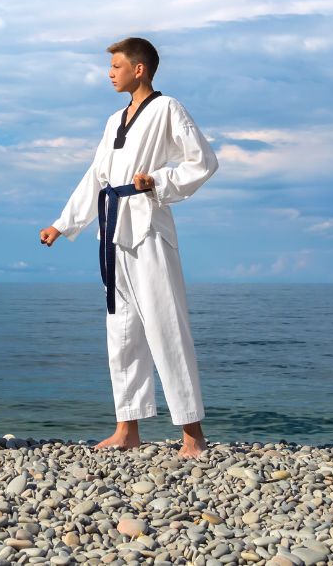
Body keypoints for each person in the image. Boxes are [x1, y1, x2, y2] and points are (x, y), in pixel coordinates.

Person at [39, 37, 218, 458]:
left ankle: (193, 434)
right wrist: (63, 224)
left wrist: (159, 181)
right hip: (111, 229)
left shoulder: (167, 108)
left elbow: (203, 161)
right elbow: (95, 177)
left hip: (148, 226)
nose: (110, 72)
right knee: (121, 331)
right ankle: (127, 428)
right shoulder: (113, 119)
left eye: (117, 65)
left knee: (166, 324)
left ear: (140, 69)